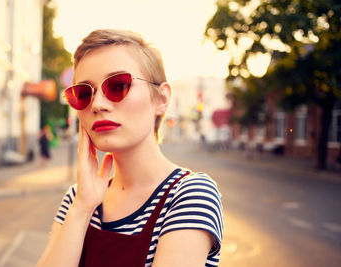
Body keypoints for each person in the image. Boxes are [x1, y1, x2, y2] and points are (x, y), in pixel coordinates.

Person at [37, 29, 223, 267]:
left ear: (161, 99)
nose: (97, 105)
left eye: (118, 86)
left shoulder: (190, 194)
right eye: (84, 93)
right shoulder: (77, 198)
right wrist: (82, 208)